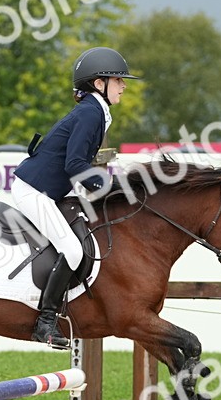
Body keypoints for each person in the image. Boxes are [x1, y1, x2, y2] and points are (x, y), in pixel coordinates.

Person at [11, 46, 139, 349]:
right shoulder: (91, 113)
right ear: (99, 84)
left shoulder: (95, 111)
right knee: (72, 249)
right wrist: (109, 185)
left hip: (52, 189)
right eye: (118, 80)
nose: (124, 86)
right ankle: (46, 321)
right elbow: (75, 165)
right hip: (34, 190)